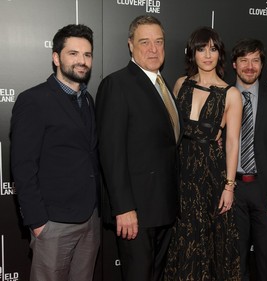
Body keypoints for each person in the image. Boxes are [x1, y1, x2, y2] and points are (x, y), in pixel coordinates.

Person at [10, 24, 100, 281]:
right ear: (56, 57)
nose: (82, 61)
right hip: (54, 223)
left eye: (87, 54)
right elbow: (23, 166)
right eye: (73, 53)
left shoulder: (88, 99)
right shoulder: (34, 100)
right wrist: (38, 223)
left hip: (89, 219)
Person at [95, 15, 180, 281]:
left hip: (164, 208)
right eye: (145, 42)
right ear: (131, 45)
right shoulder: (117, 84)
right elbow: (111, 153)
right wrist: (123, 208)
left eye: (159, 42)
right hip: (136, 213)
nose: (153, 49)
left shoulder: (163, 85)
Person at [164, 26, 243, 280]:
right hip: (181, 171)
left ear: (220, 54)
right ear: (192, 54)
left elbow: (232, 142)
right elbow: (172, 128)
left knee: (207, 238)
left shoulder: (231, 94)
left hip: (210, 175)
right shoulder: (180, 84)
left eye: (213, 49)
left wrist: (229, 186)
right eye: (201, 49)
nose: (207, 55)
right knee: (182, 235)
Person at [231, 38, 267, 281]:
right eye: (244, 60)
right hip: (231, 190)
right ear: (234, 64)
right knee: (236, 257)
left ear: (262, 65)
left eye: (255, 60)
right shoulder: (222, 96)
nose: (249, 66)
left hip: (265, 190)